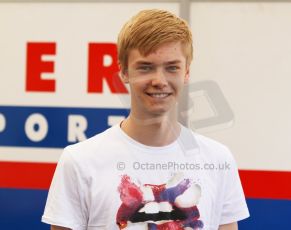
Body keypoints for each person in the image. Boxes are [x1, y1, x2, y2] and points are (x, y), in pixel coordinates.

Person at [42, 9, 249, 230]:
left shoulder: (218, 160)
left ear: (186, 72)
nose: (159, 80)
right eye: (145, 67)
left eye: (172, 68)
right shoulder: (80, 161)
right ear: (123, 72)